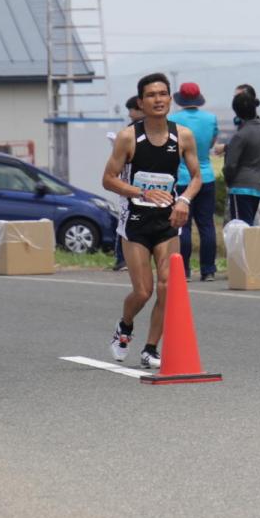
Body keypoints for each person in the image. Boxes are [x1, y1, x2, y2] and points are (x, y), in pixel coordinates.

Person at [103, 73, 202, 369]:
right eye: (151, 95)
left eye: (163, 94)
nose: (158, 99)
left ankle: (150, 348)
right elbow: (108, 179)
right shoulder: (128, 137)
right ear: (141, 102)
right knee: (143, 291)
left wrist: (183, 200)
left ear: (170, 99)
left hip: (167, 218)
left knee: (167, 286)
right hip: (135, 221)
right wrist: (141, 191)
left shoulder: (182, 135)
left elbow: (196, 177)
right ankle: (125, 325)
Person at [169, 82, 219, 281]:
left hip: (182, 177)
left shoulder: (172, 119)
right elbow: (212, 143)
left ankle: (184, 270)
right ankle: (208, 270)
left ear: (180, 99)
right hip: (206, 176)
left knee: (183, 226)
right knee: (207, 225)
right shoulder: (211, 119)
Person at [108, 95, 145, 273]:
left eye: (132, 110)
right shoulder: (154, 129)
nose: (130, 114)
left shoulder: (129, 132)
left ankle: (122, 259)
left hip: (130, 185)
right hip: (142, 185)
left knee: (124, 222)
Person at [223, 90, 260, 223]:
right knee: (248, 228)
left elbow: (230, 166)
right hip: (257, 188)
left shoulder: (241, 135)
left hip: (240, 188)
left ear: (237, 112)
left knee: (240, 228)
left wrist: (228, 179)